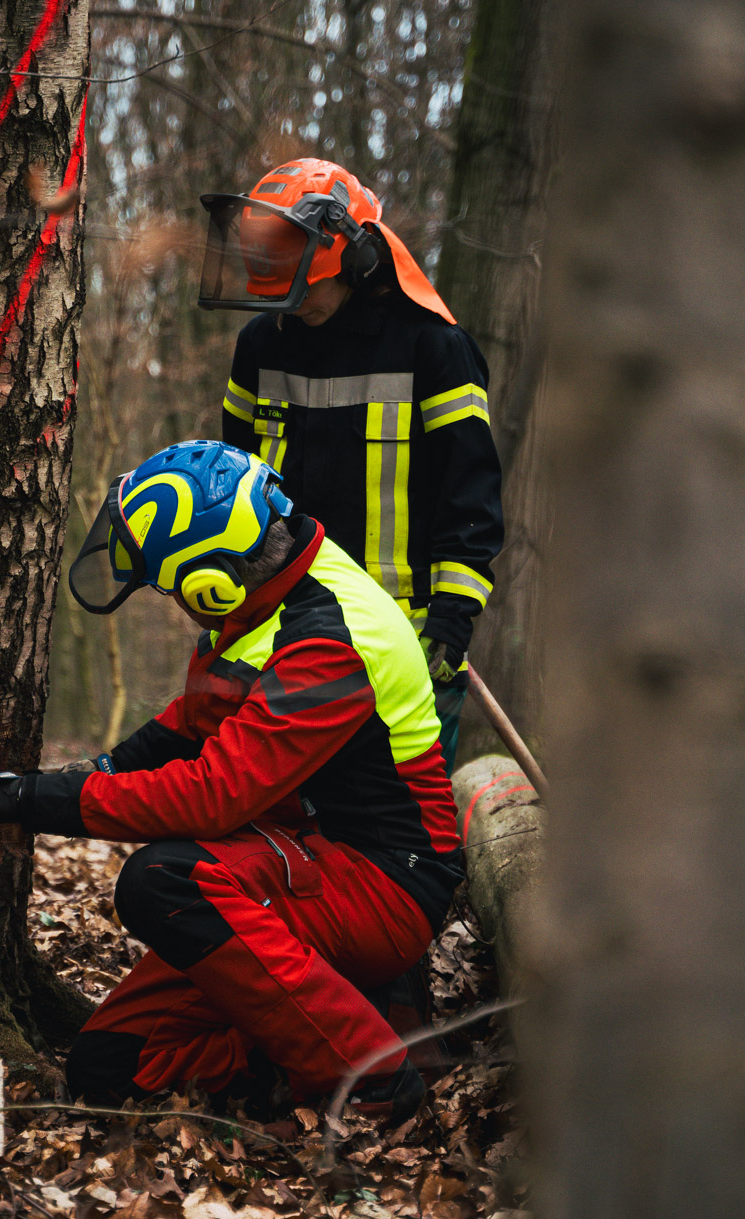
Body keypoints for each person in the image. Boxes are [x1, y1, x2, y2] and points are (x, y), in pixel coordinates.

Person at [0, 441, 461, 1121]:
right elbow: (192, 721)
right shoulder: (269, 594)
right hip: (299, 857)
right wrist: (100, 771)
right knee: (111, 1067)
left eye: (168, 589)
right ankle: (329, 1026)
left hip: (381, 882)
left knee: (165, 880)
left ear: (210, 581)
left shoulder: (330, 641)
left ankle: (372, 1076)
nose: (175, 606)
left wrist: (31, 800)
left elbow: (213, 796)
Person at [198, 158, 503, 772]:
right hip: (282, 630)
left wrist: (452, 619)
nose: (271, 268)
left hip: (402, 642)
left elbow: (470, 497)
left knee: (403, 822)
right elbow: (236, 480)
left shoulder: (434, 349)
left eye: (287, 252)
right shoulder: (260, 346)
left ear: (352, 256)